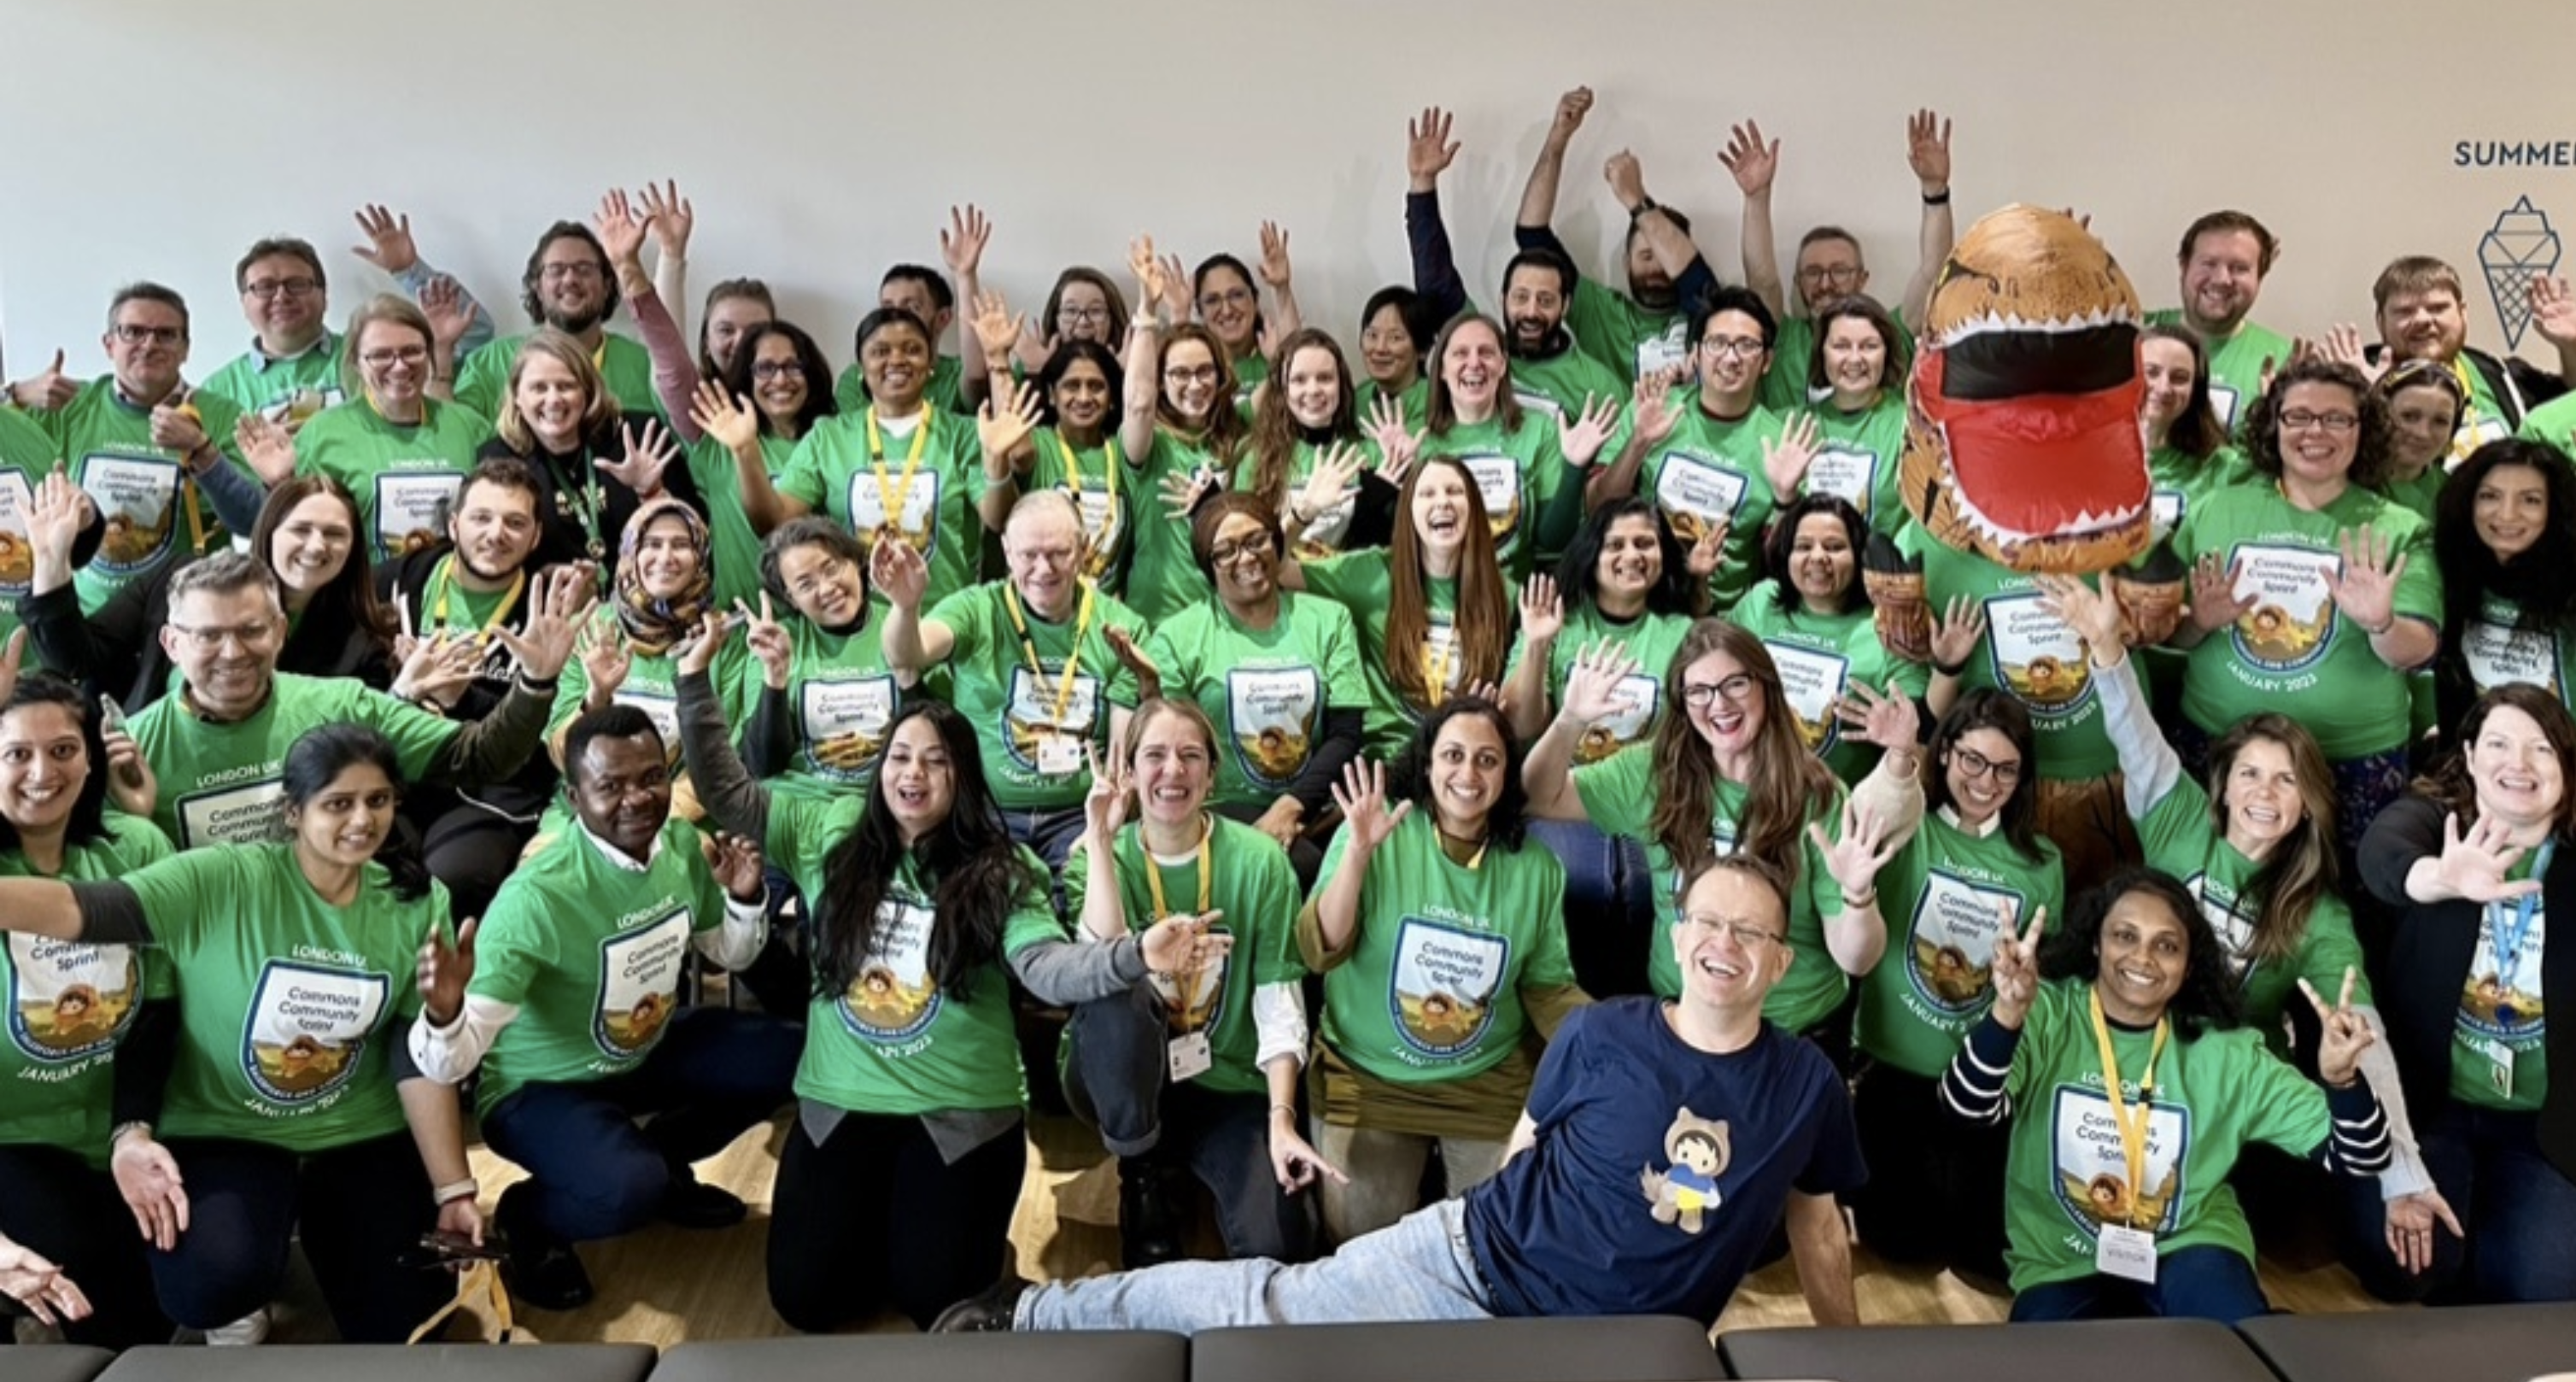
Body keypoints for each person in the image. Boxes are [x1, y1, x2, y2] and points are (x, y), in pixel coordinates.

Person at [932, 855, 1865, 1334]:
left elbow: (1817, 1228)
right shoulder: (1602, 1028)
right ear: (1678, 929)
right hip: (1471, 1262)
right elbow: (1526, 1149)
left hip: (1609, 1349)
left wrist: (1846, 1357)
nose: (1724, 944)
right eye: (1708, 919)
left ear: (1781, 961)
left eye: (1752, 932)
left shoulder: (1806, 1087)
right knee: (1269, 1306)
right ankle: (1033, 1313)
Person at [671, 664, 1219, 1332]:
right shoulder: (830, 835)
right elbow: (726, 793)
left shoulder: (1002, 867)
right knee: (807, 1302)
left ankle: (927, 1231)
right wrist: (694, 679)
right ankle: (896, 1222)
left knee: (939, 1302)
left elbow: (1045, 969)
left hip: (961, 1112)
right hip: (843, 1103)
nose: (914, 774)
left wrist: (1134, 954)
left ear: (962, 778)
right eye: (900, 756)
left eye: (936, 761)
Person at [0, 723, 483, 1344]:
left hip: (361, 1128)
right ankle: (263, 1240)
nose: (363, 820)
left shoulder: (417, 902)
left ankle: (326, 1224)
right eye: (339, 803)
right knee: (204, 1289)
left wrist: (455, 1187)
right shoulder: (220, 878)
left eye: (379, 800)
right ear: (292, 810)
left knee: (406, 1326)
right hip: (227, 1126)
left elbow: (413, 1058)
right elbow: (82, 910)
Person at [409, 705, 799, 1312]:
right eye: (610, 786)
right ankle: (530, 1219)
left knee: (788, 1055)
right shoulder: (537, 896)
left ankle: (664, 1164)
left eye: (650, 778)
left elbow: (728, 951)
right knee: (624, 1188)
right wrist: (445, 1010)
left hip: (641, 1050)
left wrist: (746, 898)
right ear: (573, 795)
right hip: (540, 1087)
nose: (637, 799)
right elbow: (449, 1061)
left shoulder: (678, 845)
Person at [1942, 869, 2392, 1322]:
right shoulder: (2045, 1016)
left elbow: (2362, 1157)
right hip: (2061, 1259)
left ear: (2189, 965)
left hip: (2189, 1244)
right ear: (2096, 943)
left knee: (2239, 1351)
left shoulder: (2228, 1053)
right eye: (2124, 936)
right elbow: (1966, 1106)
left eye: (2167, 945)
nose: (2143, 957)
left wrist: (2343, 1083)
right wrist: (2006, 1015)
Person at [1522, 619, 1909, 1042]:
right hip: (1681, 1020)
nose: (1719, 704)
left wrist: (1857, 894)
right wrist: (1571, 720)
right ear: (1683, 703)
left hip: (1791, 1031)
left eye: (1735, 684)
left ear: (1766, 686)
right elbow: (1540, 796)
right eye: (1699, 692)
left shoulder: (1818, 795)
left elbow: (1856, 960)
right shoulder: (1655, 772)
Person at [1297, 700, 1584, 1243]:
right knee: (1358, 1248)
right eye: (1453, 755)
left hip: (1485, 1084)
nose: (1469, 774)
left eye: (1487, 760)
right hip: (1370, 1077)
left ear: (1506, 774)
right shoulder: (1378, 834)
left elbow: (1547, 987)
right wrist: (1358, 853)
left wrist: (1620, 1036)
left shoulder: (1537, 869)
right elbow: (1319, 951)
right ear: (1427, 765)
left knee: (1497, 1244)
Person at [1062, 700, 1329, 1267]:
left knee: (1282, 1244)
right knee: (1115, 991)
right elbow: (1100, 970)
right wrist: (1104, 842)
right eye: (1154, 756)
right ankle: (1138, 1173)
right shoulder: (1094, 856)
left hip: (1225, 1080)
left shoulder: (1260, 862)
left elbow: (1279, 996)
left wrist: (1283, 1121)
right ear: (1129, 774)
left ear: (1212, 773)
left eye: (1190, 756)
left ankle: (1181, 1157)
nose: (1173, 771)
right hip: (1118, 1079)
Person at [120, 550, 581, 852]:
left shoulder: (343, 708)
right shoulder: (132, 750)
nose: (233, 652)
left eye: (251, 630)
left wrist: (536, 683)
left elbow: (480, 757)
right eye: (208, 636)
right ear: (171, 643)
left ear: (279, 632)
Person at [2354, 685, 2576, 1304]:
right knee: (2403, 1266)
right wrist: (2441, 878)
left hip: (2542, 1124)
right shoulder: (2434, 823)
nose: (2520, 765)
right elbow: (2382, 855)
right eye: (2501, 744)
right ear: (2472, 756)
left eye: (2542, 750)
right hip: (2436, 1106)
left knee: (2548, 1287)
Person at [2170, 360, 2437, 859]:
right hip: (2218, 749)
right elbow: (2169, 633)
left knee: (2348, 908)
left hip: (2351, 761)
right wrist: (2198, 624)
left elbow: (2417, 650)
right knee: (2209, 892)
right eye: (2298, 417)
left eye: (2337, 419)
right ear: (2274, 425)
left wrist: (2380, 622)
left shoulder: (2401, 526)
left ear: (2365, 430)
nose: (2316, 431)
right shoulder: (2217, 508)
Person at [1847, 692, 2060, 1281]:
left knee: (1985, 1260)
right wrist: (1895, 758)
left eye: (2005, 768)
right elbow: (1872, 816)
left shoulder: (2042, 864)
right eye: (1972, 760)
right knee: (1900, 1246)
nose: (1986, 781)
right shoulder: (1906, 825)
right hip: (1891, 1067)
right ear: (1942, 755)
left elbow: (2039, 985)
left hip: (1979, 1085)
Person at [0, 674, 173, 1349]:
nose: (43, 772)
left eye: (64, 750)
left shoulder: (134, 848)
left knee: (147, 1312)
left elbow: (159, 1009)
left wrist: (131, 1131)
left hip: (108, 1127)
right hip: (11, 1136)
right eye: (16, 753)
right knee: (71, 1260)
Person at [879, 490, 1144, 865]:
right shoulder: (976, 609)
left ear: (1083, 549)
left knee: (1086, 889)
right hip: (990, 813)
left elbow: (1120, 761)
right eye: (1029, 555)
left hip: (1078, 814)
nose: (1043, 569)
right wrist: (905, 607)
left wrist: (1100, 832)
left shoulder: (1121, 627)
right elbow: (906, 654)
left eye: (1058, 553)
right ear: (1006, 551)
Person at [1502, 501, 1703, 995]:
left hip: (1641, 797)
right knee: (1579, 882)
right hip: (1562, 793)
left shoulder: (1681, 633)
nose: (1631, 555)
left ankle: (1635, 1010)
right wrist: (1536, 646)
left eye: (1645, 543)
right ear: (1592, 553)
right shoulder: (1560, 624)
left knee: (1641, 890)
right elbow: (1523, 723)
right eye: (1616, 544)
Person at [1135, 494, 1366, 886]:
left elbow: (1346, 734)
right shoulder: (1178, 636)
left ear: (1277, 542)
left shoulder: (1330, 620)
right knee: (1286, 867)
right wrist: (1151, 691)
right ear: (1208, 567)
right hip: (1215, 808)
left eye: (1256, 541)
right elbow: (1176, 743)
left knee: (1315, 866)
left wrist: (1291, 807)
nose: (1245, 558)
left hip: (1312, 806)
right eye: (1225, 552)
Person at [373, 458, 565, 920]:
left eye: (515, 522)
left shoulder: (550, 610)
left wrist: (462, 700)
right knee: (369, 871)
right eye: (481, 518)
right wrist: (401, 684)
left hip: (491, 795)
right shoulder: (395, 585)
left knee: (451, 883)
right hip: (393, 779)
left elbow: (543, 751)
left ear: (535, 536)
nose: (496, 534)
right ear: (454, 524)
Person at [24, 474, 395, 711]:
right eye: (300, 529)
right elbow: (74, 660)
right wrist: (50, 558)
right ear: (268, 531)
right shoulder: (176, 578)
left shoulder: (361, 644)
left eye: (334, 534)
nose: (316, 546)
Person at [747, 305, 1015, 615]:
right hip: (859, 623)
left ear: (930, 363)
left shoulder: (964, 433)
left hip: (946, 617)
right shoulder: (829, 436)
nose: (897, 359)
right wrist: (745, 451)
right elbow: (776, 521)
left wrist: (997, 461)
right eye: (880, 351)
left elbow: (998, 519)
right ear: (861, 366)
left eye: (913, 350)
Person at [23, 284, 249, 615]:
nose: (149, 344)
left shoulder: (220, 414)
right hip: (87, 615)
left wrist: (201, 450)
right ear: (109, 344)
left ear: (186, 349)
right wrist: (13, 394)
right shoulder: (68, 405)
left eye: (166, 335)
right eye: (133, 332)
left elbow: (252, 519)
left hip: (186, 614)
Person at [1402, 107, 1630, 431]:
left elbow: (1614, 474)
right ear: (1503, 299)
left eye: (1546, 300)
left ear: (1566, 306)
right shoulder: (1476, 361)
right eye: (1521, 297)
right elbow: (1436, 279)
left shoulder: (1598, 384)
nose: (1531, 311)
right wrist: (1422, 183)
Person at [1586, 287, 1809, 609]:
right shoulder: (1654, 408)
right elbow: (1597, 508)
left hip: (1720, 615)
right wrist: (1638, 445)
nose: (1731, 358)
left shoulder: (1779, 445)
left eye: (1747, 346)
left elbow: (1782, 566)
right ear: (1696, 353)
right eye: (1717, 343)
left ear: (1767, 361)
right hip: (1638, 599)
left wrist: (1785, 498)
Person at [1720, 110, 1953, 416]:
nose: (1826, 284)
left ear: (1862, 279)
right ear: (1797, 282)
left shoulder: (1889, 332)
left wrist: (1935, 191)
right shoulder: (1783, 337)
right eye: (1813, 273)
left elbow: (1933, 271)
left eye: (1840, 271)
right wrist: (1757, 198)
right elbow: (1762, 279)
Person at [237, 295, 494, 564]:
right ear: (356, 364)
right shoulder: (324, 433)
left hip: (454, 596)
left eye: (412, 351)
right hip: (362, 599)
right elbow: (295, 534)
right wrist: (278, 484)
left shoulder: (469, 426)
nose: (400, 365)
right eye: (381, 355)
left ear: (429, 355)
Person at [1285, 456, 1512, 760]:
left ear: (1473, 507)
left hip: (1463, 762)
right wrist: (1304, 513)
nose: (1443, 501)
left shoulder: (1506, 593)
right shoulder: (1371, 573)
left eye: (1454, 491)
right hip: (1388, 763)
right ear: (1408, 511)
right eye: (1427, 493)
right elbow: (1273, 569)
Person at [547, 499, 747, 814]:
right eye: (652, 544)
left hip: (681, 817)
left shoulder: (723, 637)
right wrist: (596, 698)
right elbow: (561, 754)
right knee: (536, 863)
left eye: (681, 545)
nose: (666, 558)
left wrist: (643, 821)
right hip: (583, 813)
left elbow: (723, 761)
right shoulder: (592, 627)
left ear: (701, 556)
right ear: (630, 553)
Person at [1512, 87, 1718, 384]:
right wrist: (1557, 141)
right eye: (1646, 255)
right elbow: (1531, 234)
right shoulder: (1600, 312)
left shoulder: (1710, 313)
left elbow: (1695, 277)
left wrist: (1636, 200)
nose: (1657, 267)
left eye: (1664, 255)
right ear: (1626, 262)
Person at [1730, 494, 1927, 785]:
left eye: (1834, 547)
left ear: (1859, 555)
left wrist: (1896, 737)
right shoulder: (1761, 602)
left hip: (1836, 806)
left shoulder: (1884, 627)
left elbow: (1917, 738)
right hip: (1747, 786)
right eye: (1803, 546)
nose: (1818, 556)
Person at [1405, 313, 1614, 582]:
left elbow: (1553, 540)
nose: (1474, 363)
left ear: (1503, 365)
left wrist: (1574, 468)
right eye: (1460, 353)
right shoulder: (1416, 438)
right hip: (1438, 590)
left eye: (1486, 353)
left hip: (1515, 592)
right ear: (1442, 370)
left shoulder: (1540, 429)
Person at [476, 329, 694, 575]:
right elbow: (488, 552)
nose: (554, 399)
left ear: (588, 391)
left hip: (641, 599)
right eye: (539, 388)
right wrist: (542, 574)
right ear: (517, 396)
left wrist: (653, 493)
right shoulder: (497, 459)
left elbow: (692, 538)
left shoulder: (637, 437)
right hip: (549, 602)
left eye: (566, 386)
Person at [735, 518, 914, 796]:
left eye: (832, 569)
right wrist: (776, 677)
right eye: (806, 585)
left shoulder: (900, 624)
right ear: (791, 597)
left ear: (856, 562)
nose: (828, 588)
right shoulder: (773, 644)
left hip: (886, 804)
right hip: (799, 803)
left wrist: (908, 670)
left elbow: (937, 736)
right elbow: (762, 765)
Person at [2433, 438, 2576, 731]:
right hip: (2484, 760)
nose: (2508, 514)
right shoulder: (2452, 572)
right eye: (2490, 496)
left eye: (2531, 500)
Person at [452, 220, 661, 421]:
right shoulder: (488, 364)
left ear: (607, 285)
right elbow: (450, 445)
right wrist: (441, 358)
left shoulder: (646, 366)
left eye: (584, 269)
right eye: (556, 270)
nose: (570, 279)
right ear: (538, 287)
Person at [2366, 257, 2572, 448]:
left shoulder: (2502, 375)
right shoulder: (2361, 384)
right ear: (2380, 321)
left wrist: (2570, 346)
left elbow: (2568, 402)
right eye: (2405, 311)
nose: (2422, 320)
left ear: (2463, 313)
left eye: (2437, 308)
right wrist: (2371, 404)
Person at [1241, 327, 1397, 560]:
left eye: (1324, 378)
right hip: (1285, 589)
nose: (1313, 390)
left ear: (1341, 385)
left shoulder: (1371, 454)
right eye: (1299, 380)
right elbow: (1245, 541)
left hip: (1347, 590)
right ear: (1282, 390)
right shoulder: (1255, 455)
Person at [2146, 213, 2294, 428]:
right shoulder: (2130, 333)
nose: (2222, 279)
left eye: (2240, 268)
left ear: (2260, 277)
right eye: (2209, 263)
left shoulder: (2284, 361)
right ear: (2183, 267)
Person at [2138, 324, 2249, 550]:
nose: (2163, 388)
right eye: (2151, 372)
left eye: (2179, 378)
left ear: (2195, 389)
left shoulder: (2221, 466)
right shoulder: (2088, 460)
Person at [1191, 233, 1302, 400]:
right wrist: (1178, 312)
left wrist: (1281, 287)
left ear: (1255, 299)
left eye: (1236, 295)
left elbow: (1296, 354)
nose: (1227, 310)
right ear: (1200, 311)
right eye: (1212, 300)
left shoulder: (1273, 354)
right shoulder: (1197, 368)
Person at [2370, 359, 2471, 521]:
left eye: (2440, 421)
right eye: (2409, 416)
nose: (2423, 433)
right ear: (2380, 415)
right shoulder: (2340, 485)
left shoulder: (2458, 497)